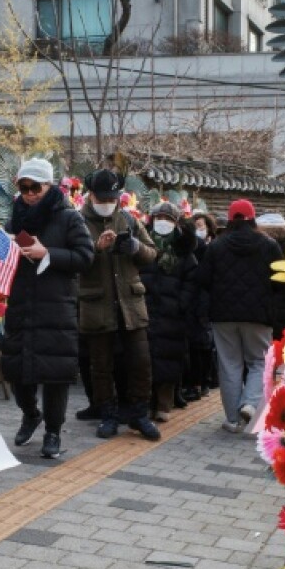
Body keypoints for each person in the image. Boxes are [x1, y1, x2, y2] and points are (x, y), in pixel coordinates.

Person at [1, 158, 94, 459]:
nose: (28, 193)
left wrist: (47, 253)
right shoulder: (15, 216)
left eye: (34, 187)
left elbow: (85, 256)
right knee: (17, 371)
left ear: (49, 186)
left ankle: (53, 431)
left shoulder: (69, 217)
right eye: (23, 187)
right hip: (22, 303)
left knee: (55, 374)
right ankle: (30, 414)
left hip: (56, 306)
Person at [76, 170, 159, 441]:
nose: (108, 202)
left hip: (131, 304)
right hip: (96, 303)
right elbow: (74, 263)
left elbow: (151, 254)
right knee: (101, 365)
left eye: (112, 198)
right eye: (103, 198)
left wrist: (134, 247)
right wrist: (96, 249)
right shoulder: (78, 221)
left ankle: (139, 414)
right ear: (91, 196)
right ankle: (108, 415)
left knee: (141, 361)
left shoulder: (128, 219)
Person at [196, 199, 283, 434]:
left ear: (230, 219)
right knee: (258, 361)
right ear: (253, 218)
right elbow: (282, 282)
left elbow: (203, 280)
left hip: (223, 316)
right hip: (259, 316)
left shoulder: (216, 246)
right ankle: (250, 403)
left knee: (229, 364)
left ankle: (232, 420)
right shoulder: (269, 245)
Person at [140, 202, 200, 424]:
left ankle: (164, 404)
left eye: (168, 218)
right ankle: (145, 404)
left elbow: (192, 282)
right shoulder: (143, 246)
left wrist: (180, 305)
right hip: (145, 310)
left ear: (176, 223)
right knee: (145, 361)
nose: (162, 222)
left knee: (169, 360)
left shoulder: (185, 252)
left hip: (172, 315)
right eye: (159, 217)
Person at [181, 214, 216, 403]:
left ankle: (203, 382)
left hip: (204, 299)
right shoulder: (189, 247)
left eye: (201, 225)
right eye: (195, 226)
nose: (198, 229)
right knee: (195, 344)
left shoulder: (211, 248)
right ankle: (197, 382)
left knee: (202, 344)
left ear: (209, 228)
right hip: (193, 299)